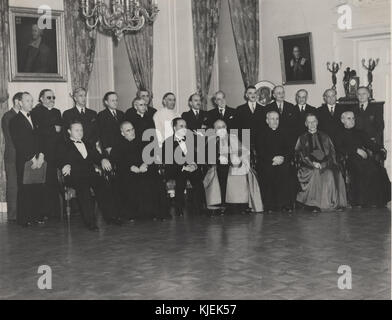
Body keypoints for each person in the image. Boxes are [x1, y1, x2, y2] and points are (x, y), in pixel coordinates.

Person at [58, 120, 122, 231]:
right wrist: (65, 164)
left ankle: (111, 217)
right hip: (74, 176)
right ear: (69, 131)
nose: (80, 132)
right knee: (84, 189)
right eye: (76, 130)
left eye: (81, 130)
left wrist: (103, 159)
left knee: (103, 183)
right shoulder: (64, 144)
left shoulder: (87, 143)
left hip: (89, 174)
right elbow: (58, 158)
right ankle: (90, 222)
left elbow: (96, 156)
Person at [111, 122, 170, 221]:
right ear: (122, 133)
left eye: (132, 129)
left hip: (145, 169)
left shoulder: (143, 141)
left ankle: (156, 213)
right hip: (128, 171)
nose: (132, 132)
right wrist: (130, 167)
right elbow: (117, 160)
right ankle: (133, 214)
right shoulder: (118, 145)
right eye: (128, 130)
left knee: (155, 180)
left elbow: (151, 154)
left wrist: (145, 164)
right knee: (130, 182)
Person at [204, 120, 263, 215]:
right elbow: (208, 157)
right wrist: (218, 158)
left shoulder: (233, 137)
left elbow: (243, 151)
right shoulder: (211, 140)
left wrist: (238, 157)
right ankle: (224, 203)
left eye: (223, 126)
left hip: (234, 164)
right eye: (218, 127)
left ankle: (241, 204)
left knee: (242, 171)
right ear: (214, 130)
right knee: (223, 171)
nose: (222, 129)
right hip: (218, 166)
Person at [337, 111, 390, 208]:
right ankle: (362, 201)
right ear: (342, 120)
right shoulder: (339, 133)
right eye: (349, 118)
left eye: (353, 118)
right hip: (349, 159)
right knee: (363, 169)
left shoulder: (359, 132)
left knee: (378, 169)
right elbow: (338, 148)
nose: (352, 120)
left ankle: (378, 200)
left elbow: (370, 144)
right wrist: (355, 150)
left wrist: (380, 148)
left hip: (364, 158)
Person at [295, 114, 347, 212]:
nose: (312, 124)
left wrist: (324, 164)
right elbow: (300, 154)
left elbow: (332, 153)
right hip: (308, 166)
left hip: (326, 164)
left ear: (317, 122)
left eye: (314, 121)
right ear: (306, 124)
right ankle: (312, 204)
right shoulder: (302, 138)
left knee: (332, 173)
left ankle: (334, 203)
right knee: (315, 172)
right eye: (309, 122)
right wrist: (312, 163)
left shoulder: (325, 136)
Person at [9, 92, 46, 227]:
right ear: (20, 103)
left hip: (38, 158)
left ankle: (36, 216)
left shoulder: (35, 117)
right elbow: (18, 143)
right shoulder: (14, 121)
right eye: (27, 101)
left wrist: (41, 155)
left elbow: (41, 138)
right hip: (24, 159)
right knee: (25, 188)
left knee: (37, 187)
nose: (31, 103)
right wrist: (31, 159)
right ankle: (24, 218)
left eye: (31, 101)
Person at [161, 118, 205, 216]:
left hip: (192, 167)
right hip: (176, 169)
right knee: (181, 179)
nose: (184, 128)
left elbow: (199, 156)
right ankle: (179, 208)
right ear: (174, 127)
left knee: (198, 178)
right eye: (181, 126)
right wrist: (184, 167)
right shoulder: (168, 142)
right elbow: (169, 162)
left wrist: (195, 165)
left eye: (185, 126)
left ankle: (199, 207)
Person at [31, 89, 62, 220]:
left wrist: (51, 129)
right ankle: (43, 212)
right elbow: (38, 130)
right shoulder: (36, 112)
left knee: (54, 182)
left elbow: (61, 129)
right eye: (48, 98)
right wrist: (52, 128)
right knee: (44, 182)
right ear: (41, 99)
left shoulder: (57, 112)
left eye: (53, 97)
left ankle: (54, 212)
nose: (52, 100)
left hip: (55, 151)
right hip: (43, 151)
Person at [256, 111, 292, 213]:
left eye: (277, 119)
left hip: (282, 161)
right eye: (272, 119)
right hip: (267, 161)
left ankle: (284, 204)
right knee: (268, 171)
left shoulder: (284, 132)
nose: (275, 121)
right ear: (267, 121)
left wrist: (283, 158)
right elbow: (260, 150)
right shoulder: (261, 133)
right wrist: (272, 159)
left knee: (286, 171)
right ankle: (269, 205)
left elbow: (289, 148)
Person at [1, 92, 22, 223]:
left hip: (20, 155)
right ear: (16, 102)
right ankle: (13, 215)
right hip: (12, 155)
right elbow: (10, 138)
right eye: (24, 100)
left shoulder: (23, 116)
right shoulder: (8, 116)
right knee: (13, 185)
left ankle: (21, 212)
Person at [267, 86, 297, 150]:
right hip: (273, 139)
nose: (282, 95)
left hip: (288, 140)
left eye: (283, 92)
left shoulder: (291, 106)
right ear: (274, 95)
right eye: (279, 93)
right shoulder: (268, 107)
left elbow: (294, 125)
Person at [97, 91, 125, 155]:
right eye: (113, 100)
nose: (115, 102)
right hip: (109, 148)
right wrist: (107, 147)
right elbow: (101, 133)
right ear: (106, 102)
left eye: (116, 100)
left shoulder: (121, 114)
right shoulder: (101, 115)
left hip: (122, 147)